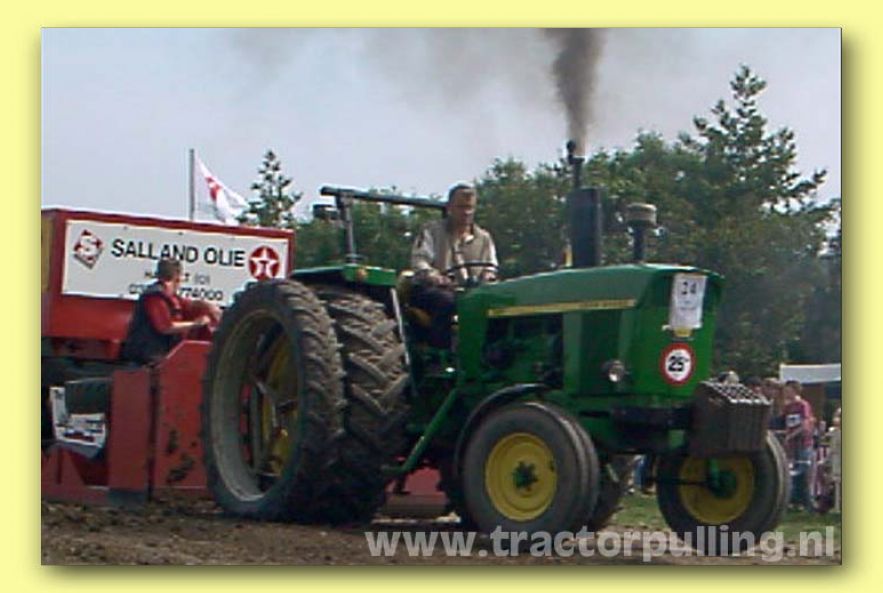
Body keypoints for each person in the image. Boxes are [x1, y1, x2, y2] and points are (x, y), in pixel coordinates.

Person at [410, 183, 498, 348]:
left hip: (472, 291)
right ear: (450, 207)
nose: (466, 212)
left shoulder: (484, 238)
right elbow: (420, 261)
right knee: (446, 302)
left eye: (470, 208)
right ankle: (440, 351)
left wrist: (487, 276)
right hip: (433, 289)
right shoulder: (432, 231)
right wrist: (434, 276)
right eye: (461, 207)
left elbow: (490, 267)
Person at [122, 258, 221, 364]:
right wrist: (196, 324)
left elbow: (188, 304)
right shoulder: (155, 297)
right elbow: (165, 327)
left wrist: (209, 306)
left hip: (161, 351)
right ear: (177, 277)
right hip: (149, 353)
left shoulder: (170, 296)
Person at [782, 379, 816, 511]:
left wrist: (792, 435)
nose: (786, 393)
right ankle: (795, 502)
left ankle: (808, 503)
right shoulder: (787, 407)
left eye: (788, 391)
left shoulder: (803, 405)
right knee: (793, 471)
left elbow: (805, 423)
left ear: (795, 391)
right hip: (792, 445)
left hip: (803, 443)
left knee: (804, 472)